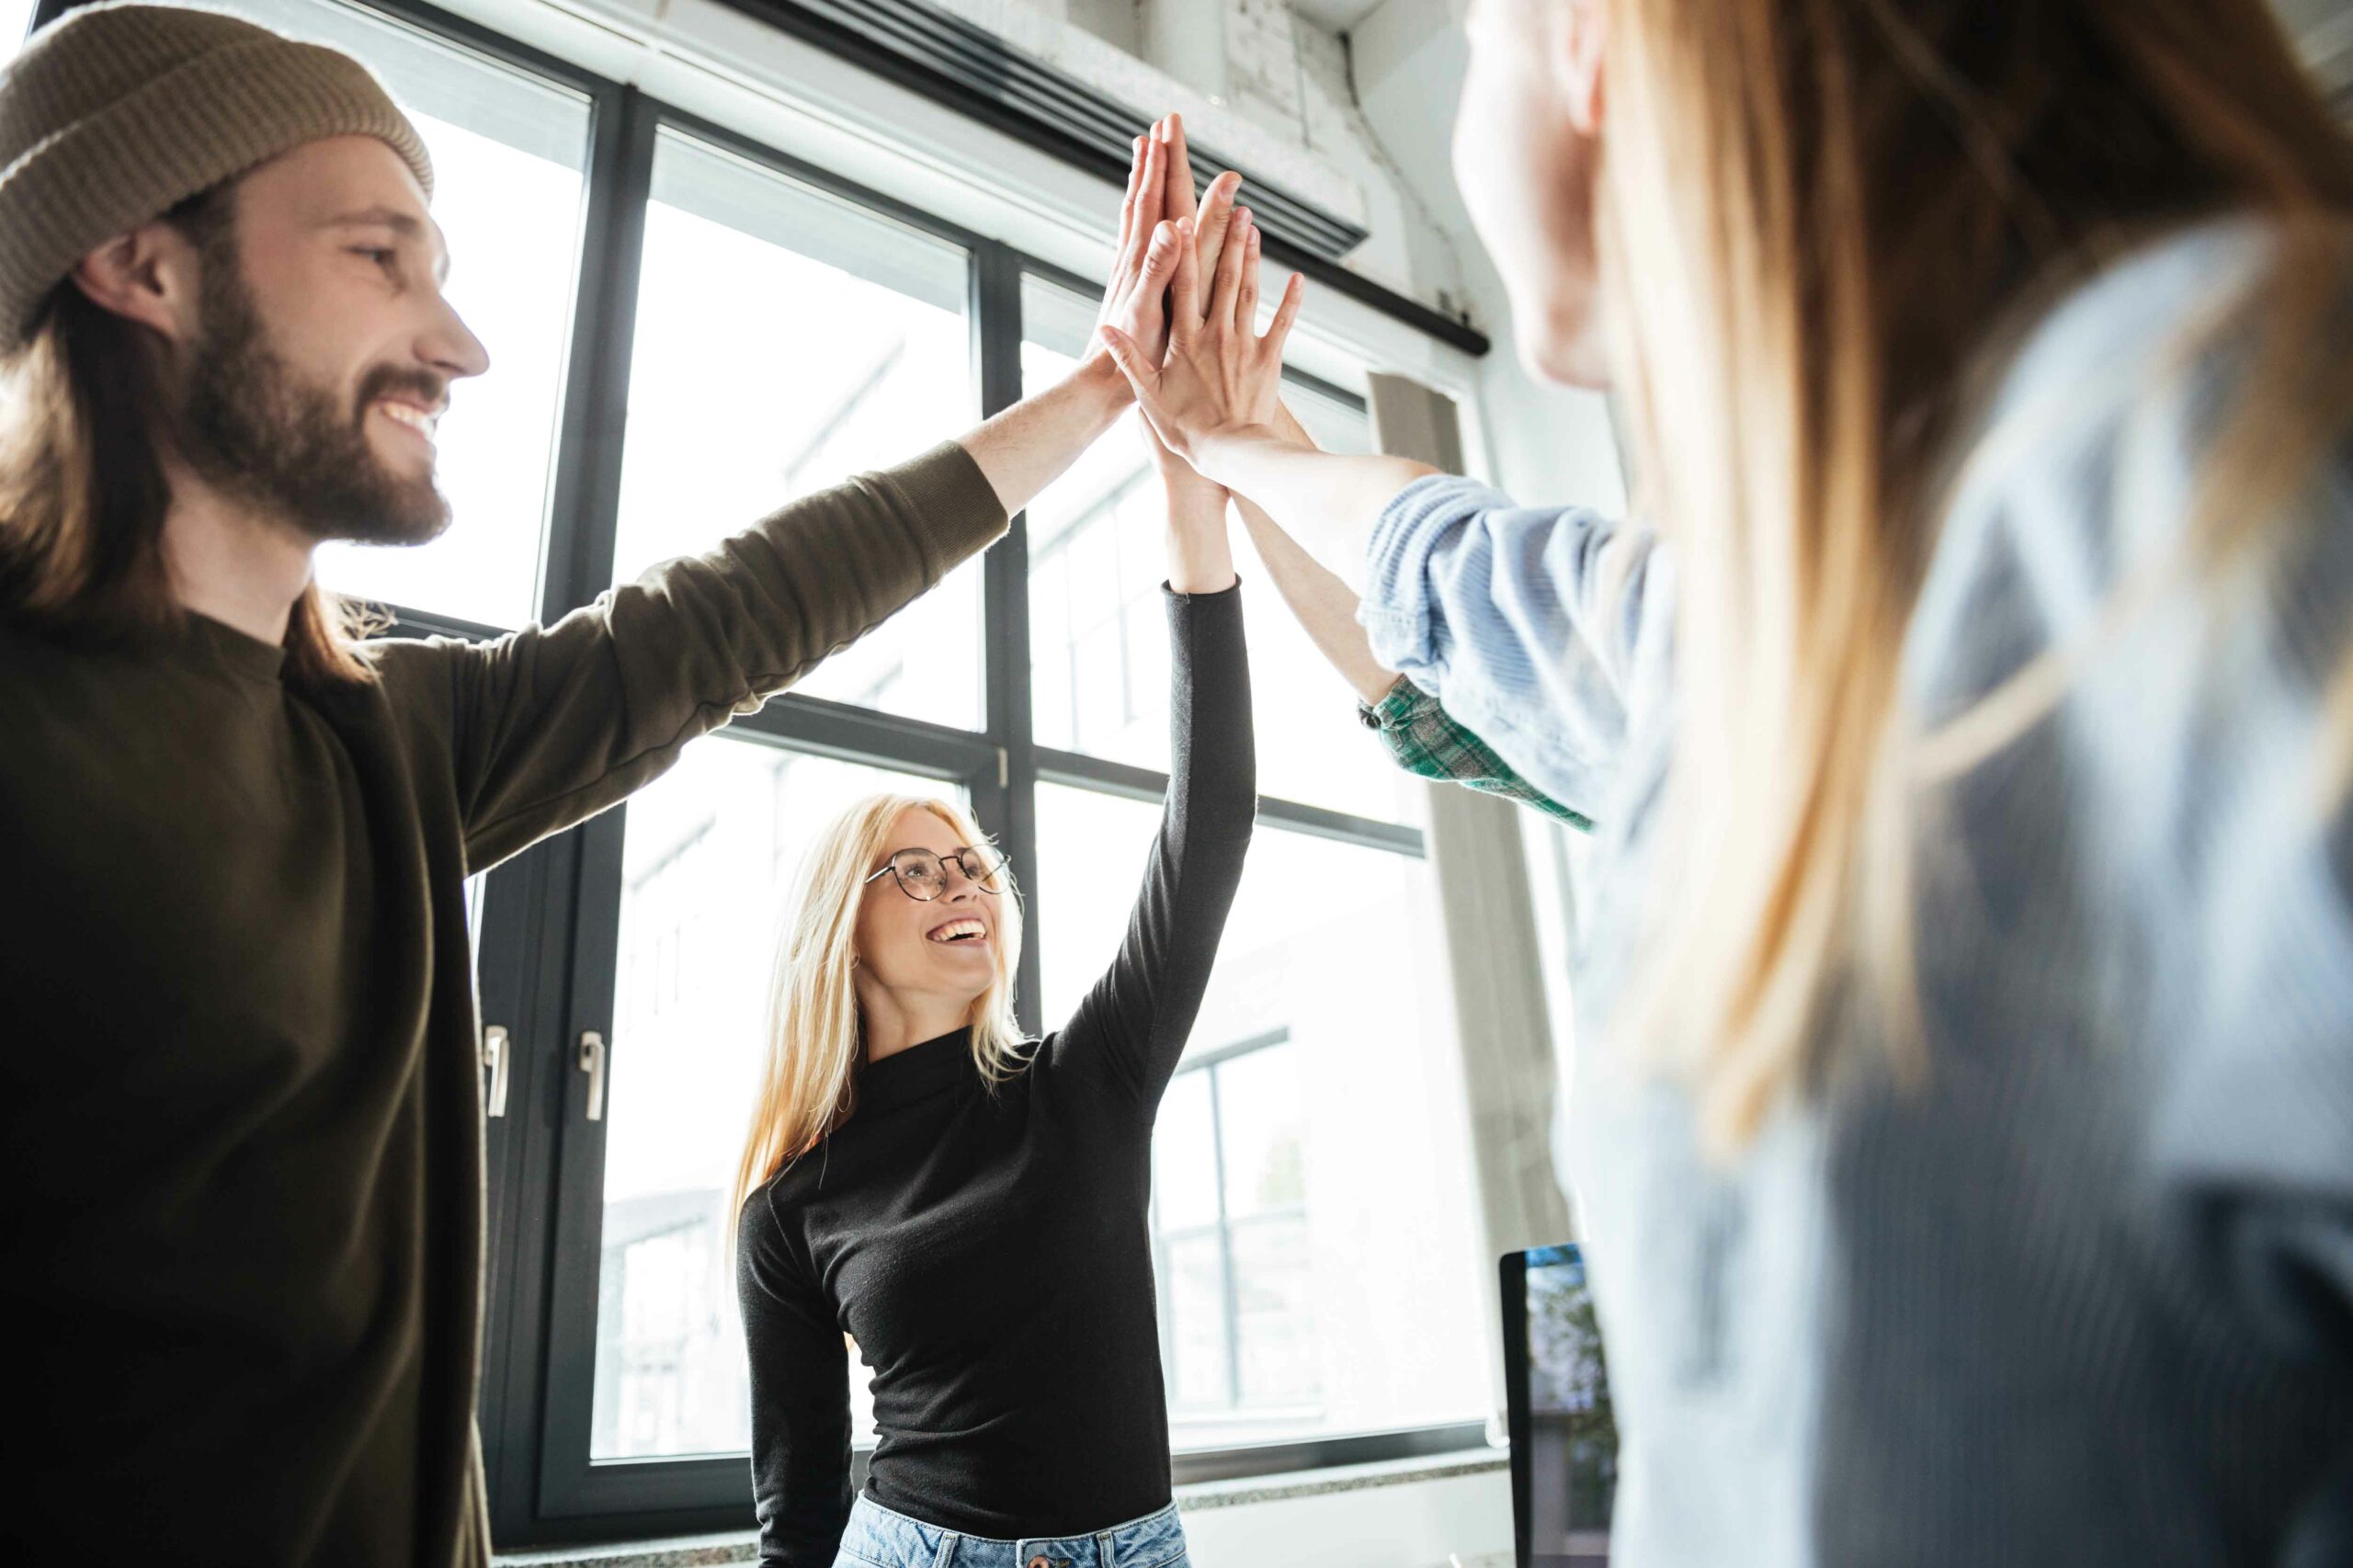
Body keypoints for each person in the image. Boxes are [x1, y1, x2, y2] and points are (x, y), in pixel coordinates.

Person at [1102, 0, 2353, 1563]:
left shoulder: (2214, 462)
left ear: (1599, 44)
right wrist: (1232, 443)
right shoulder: (1828, 577)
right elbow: (1471, 584)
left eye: (1476, 41)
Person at [0, 8, 1210, 1563]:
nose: (459, 342)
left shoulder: (389, 743)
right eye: (382, 256)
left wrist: (1115, 388)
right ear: (140, 262)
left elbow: (722, 621)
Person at [731, 191, 1292, 1568]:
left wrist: (1188, 492)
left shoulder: (1081, 1082)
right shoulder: (790, 1203)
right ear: (837, 934)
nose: (957, 881)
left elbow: (1207, 820)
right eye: (909, 870)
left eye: (968, 859)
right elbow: (799, 1498)